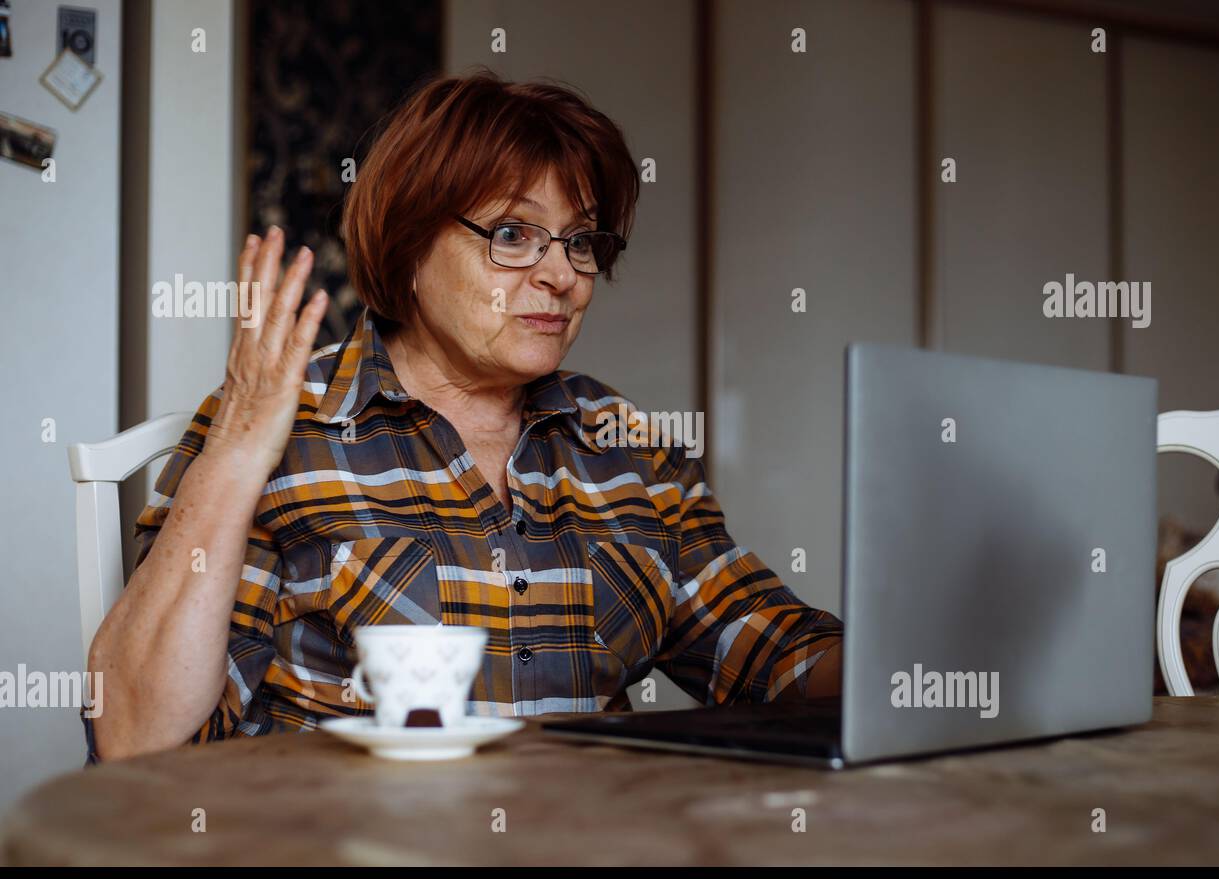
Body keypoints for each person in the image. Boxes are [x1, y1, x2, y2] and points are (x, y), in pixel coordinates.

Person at [84, 68, 842, 763]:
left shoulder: (628, 445)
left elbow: (771, 651)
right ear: (411, 246)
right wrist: (239, 447)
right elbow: (133, 733)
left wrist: (918, 654)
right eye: (512, 235)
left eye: (581, 242)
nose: (561, 276)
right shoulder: (281, 430)